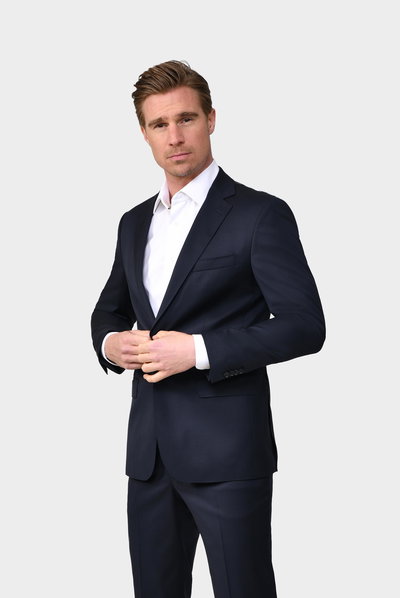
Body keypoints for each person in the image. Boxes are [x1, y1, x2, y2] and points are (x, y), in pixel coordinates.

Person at [91, 60, 325, 598]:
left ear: (212, 119)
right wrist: (111, 343)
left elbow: (305, 326)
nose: (174, 136)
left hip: (228, 454)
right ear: (144, 133)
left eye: (186, 118)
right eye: (159, 124)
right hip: (149, 457)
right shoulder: (133, 222)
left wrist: (197, 350)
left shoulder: (260, 214)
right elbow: (108, 310)